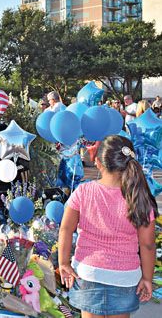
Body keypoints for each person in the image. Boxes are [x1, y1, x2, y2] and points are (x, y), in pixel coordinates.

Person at [58, 135, 157, 317]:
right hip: (125, 276)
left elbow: (65, 228)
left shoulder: (83, 192)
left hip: (88, 273)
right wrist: (147, 278)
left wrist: (63, 263)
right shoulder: (139, 197)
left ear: (98, 162)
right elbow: (148, 245)